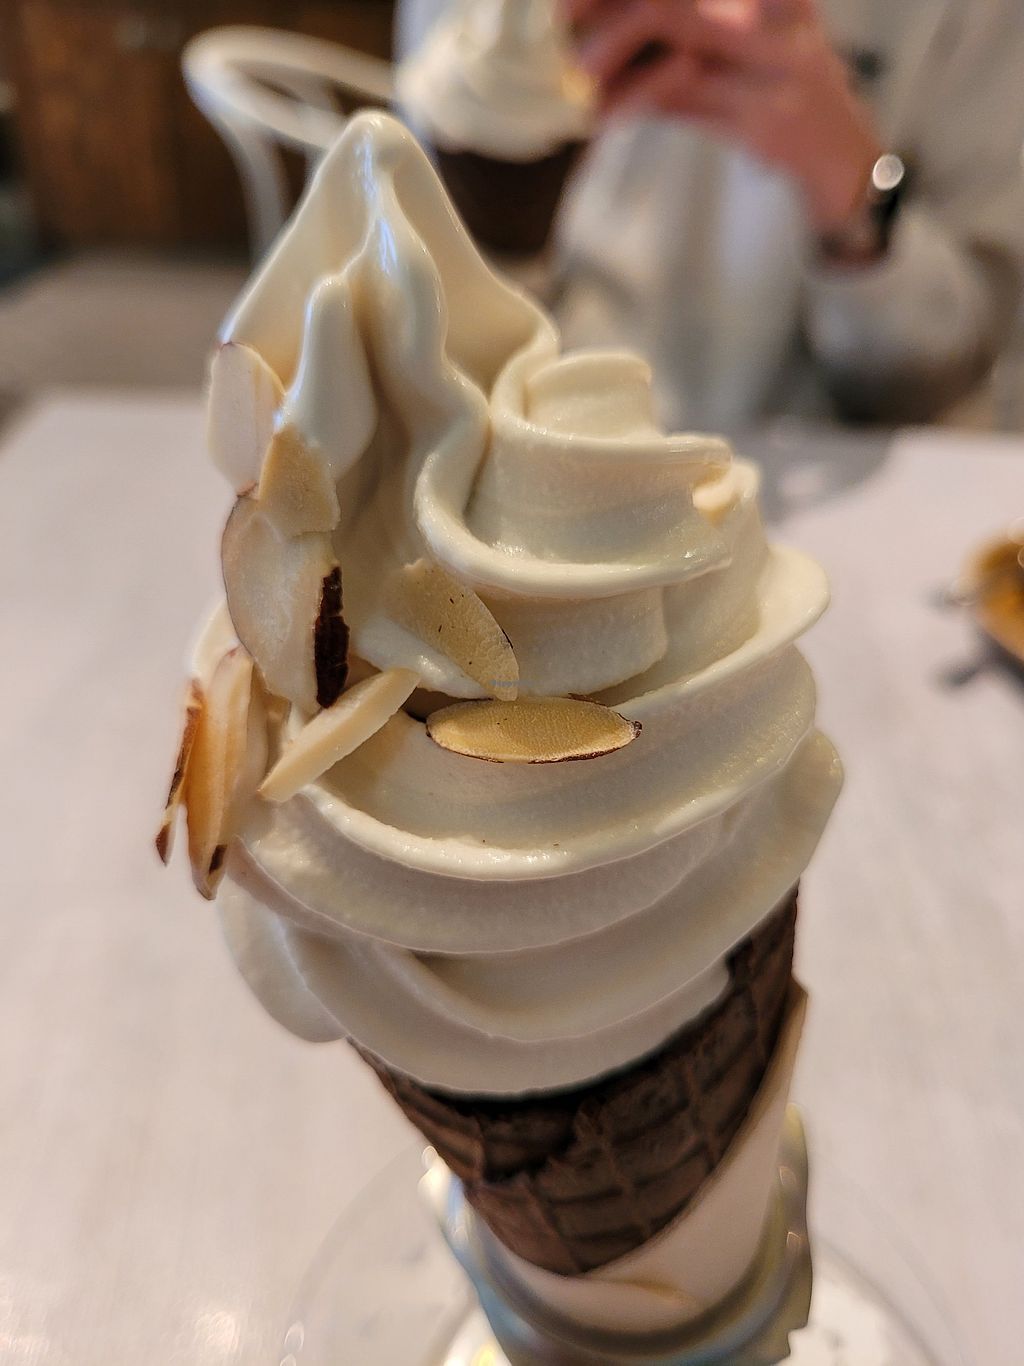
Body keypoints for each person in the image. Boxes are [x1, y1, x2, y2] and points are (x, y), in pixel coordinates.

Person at [397, 0, 1024, 431]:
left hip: (840, 484)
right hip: (536, 454)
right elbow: (420, 329)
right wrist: (511, 177)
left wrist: (853, 194)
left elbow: (960, 368)